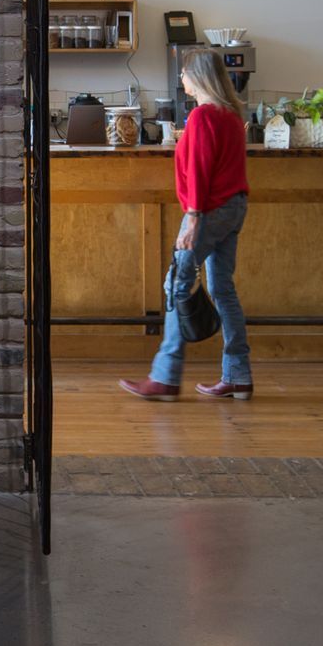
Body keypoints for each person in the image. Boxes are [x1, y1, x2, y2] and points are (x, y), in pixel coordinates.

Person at [120, 48, 253, 401]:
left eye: (184, 74)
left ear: (197, 78)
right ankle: (238, 375)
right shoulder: (230, 114)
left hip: (207, 210)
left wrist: (192, 218)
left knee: (176, 285)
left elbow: (198, 172)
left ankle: (165, 377)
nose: (181, 79)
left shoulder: (202, 118)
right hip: (235, 207)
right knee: (222, 289)